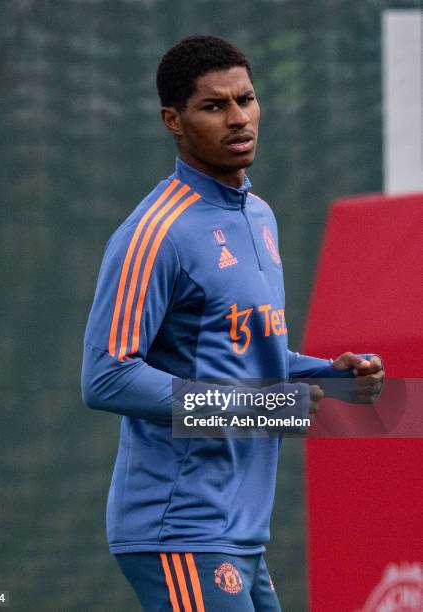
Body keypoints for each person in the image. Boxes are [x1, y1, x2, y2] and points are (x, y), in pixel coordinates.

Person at [81, 35, 383, 612]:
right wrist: (257, 407)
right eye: (214, 106)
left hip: (239, 527)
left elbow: (239, 353)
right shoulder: (155, 232)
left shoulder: (259, 214)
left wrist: (331, 372)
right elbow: (106, 377)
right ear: (173, 120)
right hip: (179, 527)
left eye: (246, 99)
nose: (239, 118)